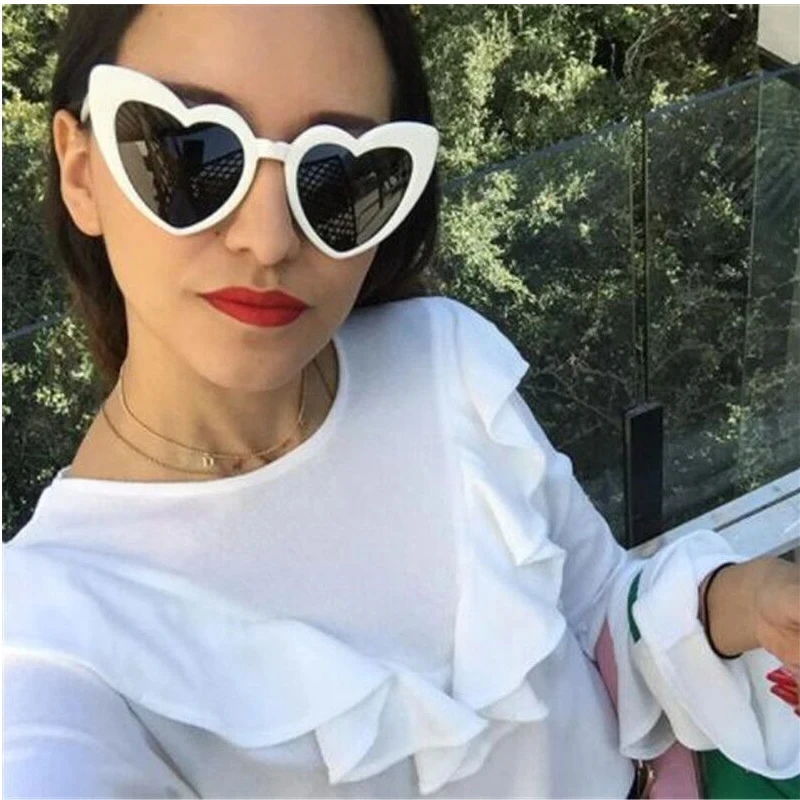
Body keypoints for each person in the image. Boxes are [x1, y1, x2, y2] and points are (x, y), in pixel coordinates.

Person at [3, 6, 799, 799]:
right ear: (82, 173)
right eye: (193, 152)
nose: (269, 239)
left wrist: (746, 602)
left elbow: (596, 611)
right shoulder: (52, 637)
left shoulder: (443, 361)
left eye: (338, 175)